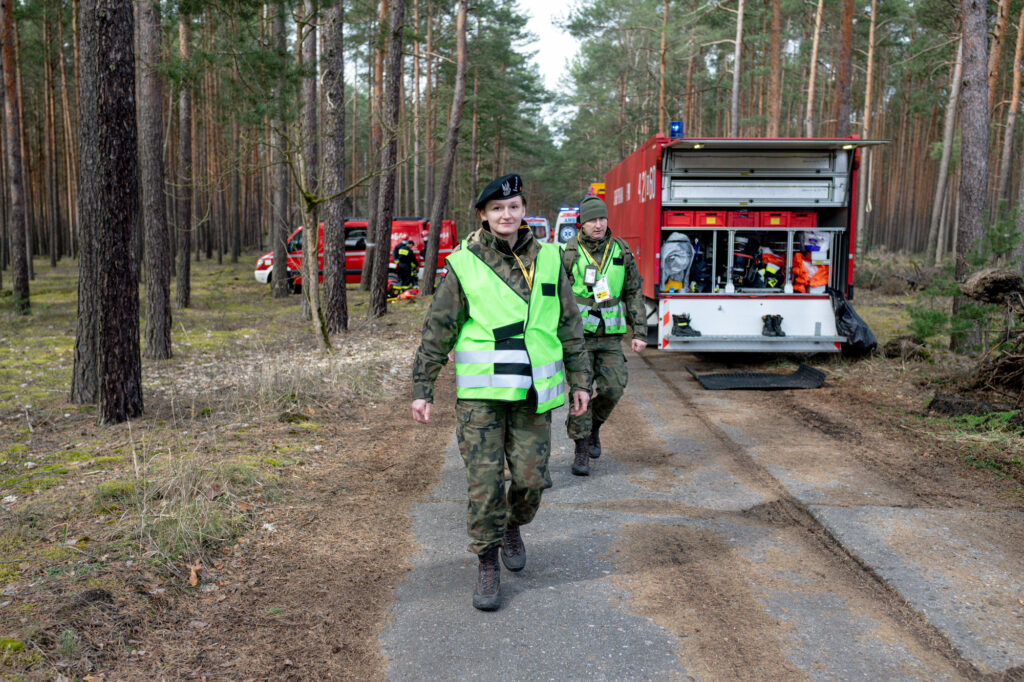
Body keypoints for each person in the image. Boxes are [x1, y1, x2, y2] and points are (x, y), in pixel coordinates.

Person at [411, 173, 592, 611]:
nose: (506, 215)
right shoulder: (464, 263)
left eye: (513, 207)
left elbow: (569, 323)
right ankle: (487, 561)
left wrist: (580, 379)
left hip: (533, 394)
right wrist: (423, 387)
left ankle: (513, 525)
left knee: (531, 481)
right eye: (497, 209)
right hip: (483, 399)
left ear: (523, 209)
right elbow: (439, 329)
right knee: (484, 485)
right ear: (483, 215)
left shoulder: (550, 259)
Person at [561, 195, 647, 476]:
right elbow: (556, 296)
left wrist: (639, 331)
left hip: (610, 336)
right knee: (581, 391)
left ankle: (594, 425)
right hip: (579, 338)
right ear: (581, 224)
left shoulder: (621, 250)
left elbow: (634, 292)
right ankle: (581, 447)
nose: (598, 225)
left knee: (614, 387)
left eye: (602, 219)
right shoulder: (568, 253)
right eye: (591, 220)